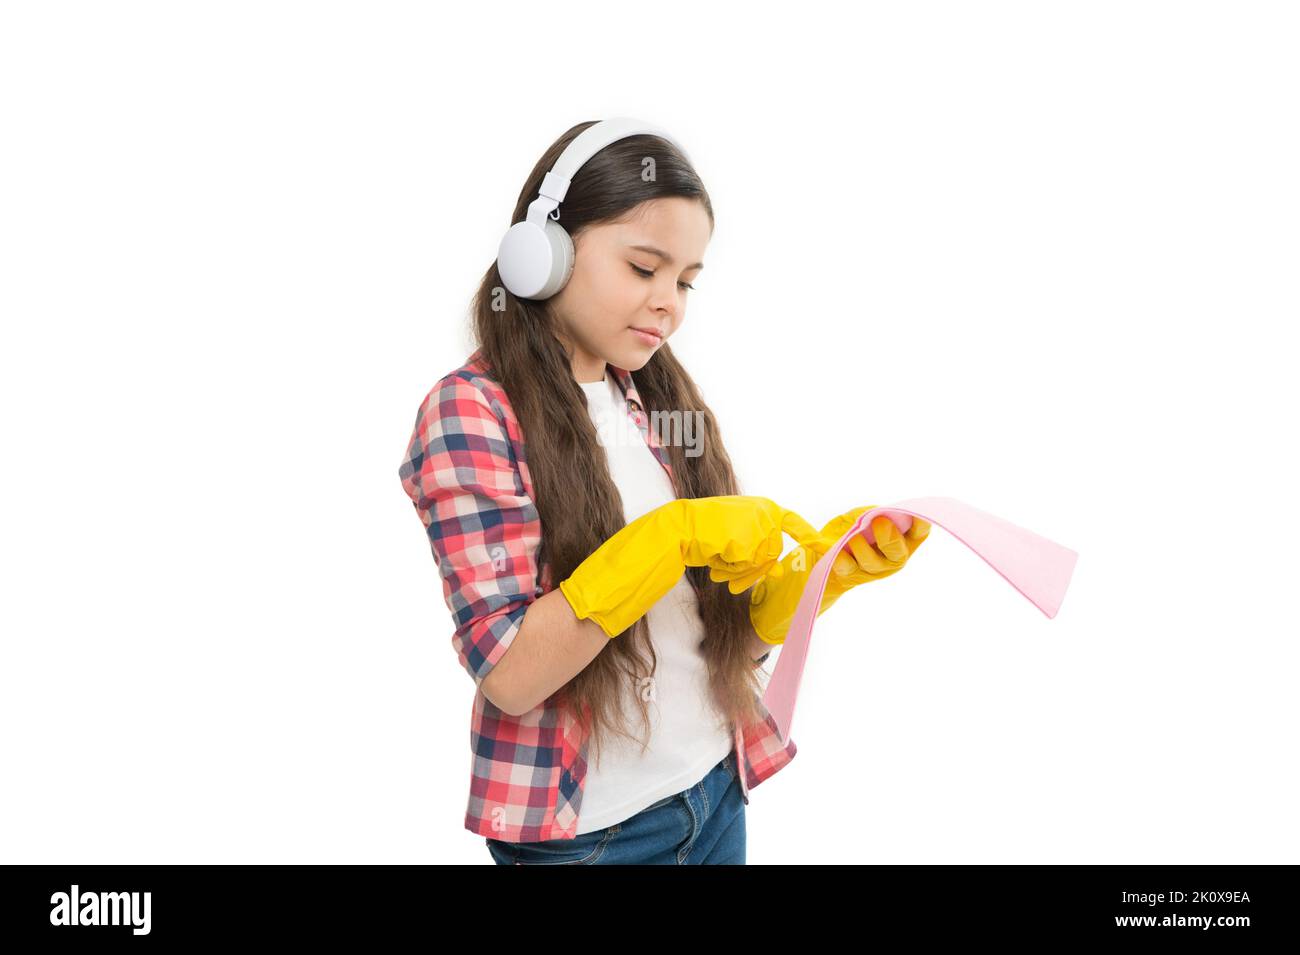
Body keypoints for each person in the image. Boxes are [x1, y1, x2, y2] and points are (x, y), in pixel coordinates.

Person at [398, 118, 929, 864]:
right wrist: (673, 533)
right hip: (593, 836)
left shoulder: (654, 397)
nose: (668, 304)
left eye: (684, 281)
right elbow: (512, 673)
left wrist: (820, 573)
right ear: (540, 254)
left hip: (715, 788)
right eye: (643, 268)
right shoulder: (471, 413)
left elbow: (714, 628)